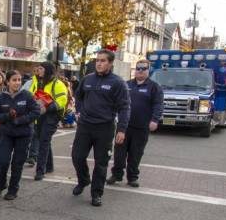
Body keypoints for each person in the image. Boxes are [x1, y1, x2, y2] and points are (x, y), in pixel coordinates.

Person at [72, 49, 130, 207]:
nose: (99, 63)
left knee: (101, 163)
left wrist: (122, 129)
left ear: (110, 64)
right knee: (77, 156)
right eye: (97, 60)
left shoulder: (118, 83)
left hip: (105, 128)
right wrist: (79, 111)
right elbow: (79, 96)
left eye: (103, 61)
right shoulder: (87, 79)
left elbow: (124, 107)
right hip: (85, 125)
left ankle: (96, 193)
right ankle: (83, 180)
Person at [107, 59, 162, 187]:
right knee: (119, 153)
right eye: (138, 68)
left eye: (143, 68)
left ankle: (132, 177)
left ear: (148, 70)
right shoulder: (126, 84)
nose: (140, 71)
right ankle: (117, 175)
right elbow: (115, 101)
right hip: (124, 127)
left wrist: (154, 120)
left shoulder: (154, 87)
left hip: (141, 127)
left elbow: (158, 105)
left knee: (135, 154)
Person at [0, 70, 40, 200]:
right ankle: (1, 183)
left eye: (19, 80)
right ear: (7, 81)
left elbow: (36, 112)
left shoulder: (27, 96)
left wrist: (19, 120)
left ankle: (13, 189)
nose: (17, 82)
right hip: (7, 134)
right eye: (14, 80)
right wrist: (8, 116)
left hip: (23, 134)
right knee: (2, 161)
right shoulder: (1, 97)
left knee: (17, 163)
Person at [30, 61, 68, 181]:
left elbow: (62, 100)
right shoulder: (36, 82)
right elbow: (31, 95)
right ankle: (49, 166)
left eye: (41, 68)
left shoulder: (58, 84)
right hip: (39, 115)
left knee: (44, 141)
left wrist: (48, 107)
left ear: (47, 70)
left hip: (52, 116)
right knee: (44, 140)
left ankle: (40, 171)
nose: (38, 70)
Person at [24, 64, 44, 167]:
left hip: (41, 112)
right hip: (30, 111)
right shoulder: (29, 83)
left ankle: (32, 156)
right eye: (36, 70)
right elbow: (22, 93)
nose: (37, 72)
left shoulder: (46, 82)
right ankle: (25, 154)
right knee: (28, 134)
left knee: (36, 135)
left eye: (39, 70)